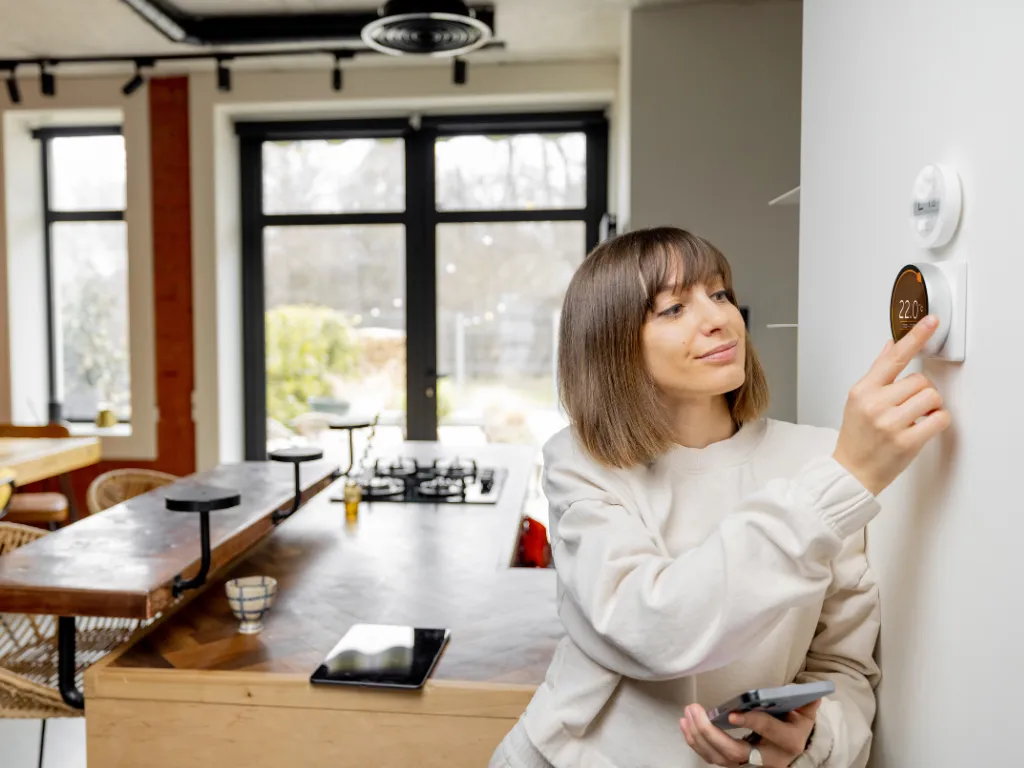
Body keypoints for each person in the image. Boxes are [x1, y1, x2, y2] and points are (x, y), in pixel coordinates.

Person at [489, 228, 950, 768]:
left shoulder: (821, 459)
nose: (718, 318)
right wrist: (843, 480)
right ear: (612, 344)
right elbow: (655, 628)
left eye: (719, 294)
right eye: (672, 308)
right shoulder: (583, 463)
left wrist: (808, 741)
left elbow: (844, 668)